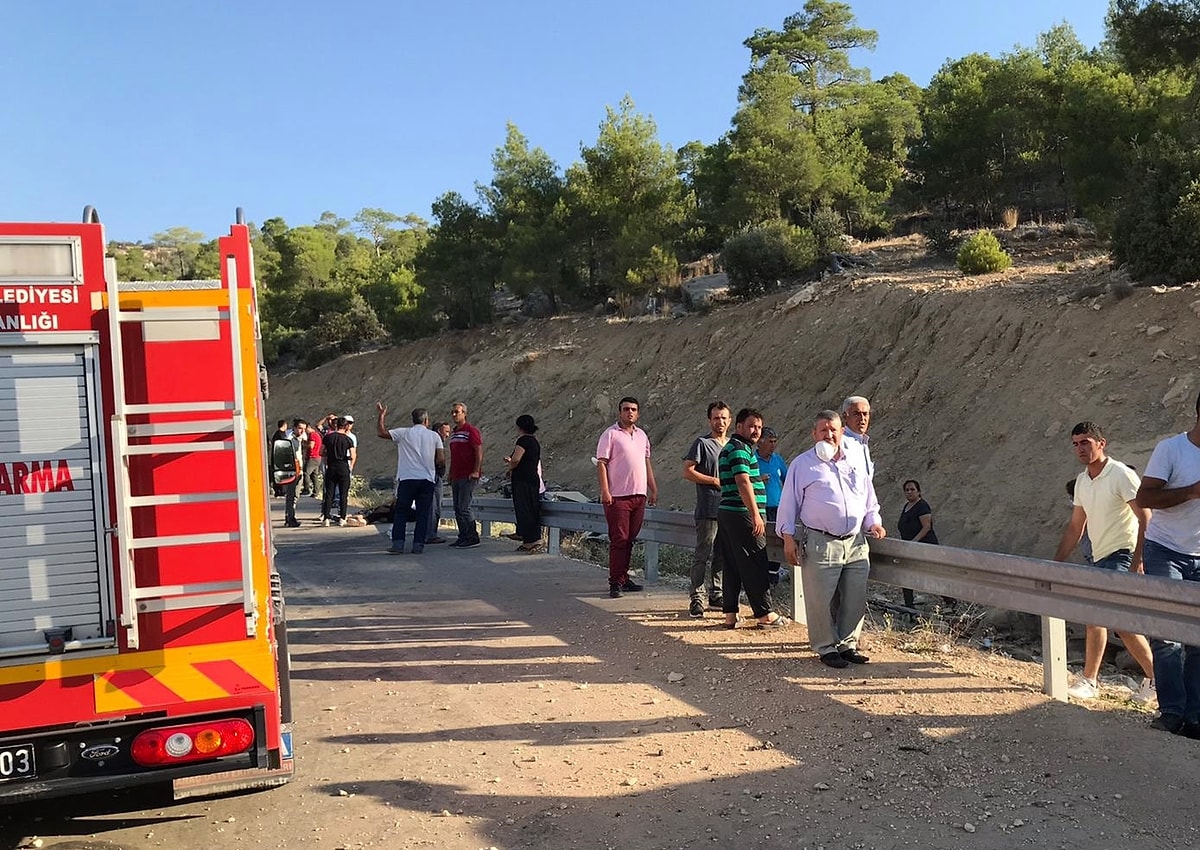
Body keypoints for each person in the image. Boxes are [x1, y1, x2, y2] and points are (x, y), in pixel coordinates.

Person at [1052, 422, 1156, 703]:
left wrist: (1138, 560)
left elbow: (1145, 517)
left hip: (1122, 554)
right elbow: (1076, 526)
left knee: (1095, 614)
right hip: (1100, 556)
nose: (1080, 449)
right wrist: (1055, 563)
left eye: (1085, 442)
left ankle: (1089, 679)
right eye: (1075, 444)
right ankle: (1156, 678)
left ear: (1101, 443)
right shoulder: (1083, 480)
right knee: (1121, 624)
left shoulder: (1121, 474)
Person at [776, 409, 885, 669]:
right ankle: (826, 647)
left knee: (854, 596)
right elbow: (789, 504)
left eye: (833, 429)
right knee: (820, 599)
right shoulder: (803, 465)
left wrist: (874, 523)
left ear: (841, 432)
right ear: (814, 434)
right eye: (823, 430)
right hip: (820, 541)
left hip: (856, 542)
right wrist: (788, 538)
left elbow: (869, 500)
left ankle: (847, 644)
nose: (828, 434)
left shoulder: (855, 463)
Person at [1135, 393, 1200, 735]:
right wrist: (1191, 492)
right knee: (1167, 636)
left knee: (1197, 639)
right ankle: (1171, 712)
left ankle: (1195, 718)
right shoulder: (1172, 450)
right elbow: (1145, 497)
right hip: (1166, 549)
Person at [717, 408, 787, 629]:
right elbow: (743, 481)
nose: (756, 431)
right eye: (751, 426)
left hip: (729, 513)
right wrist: (755, 513)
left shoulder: (734, 447)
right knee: (756, 561)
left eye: (758, 427)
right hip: (742, 514)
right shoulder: (739, 449)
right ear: (739, 427)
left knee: (732, 564)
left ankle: (730, 613)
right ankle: (764, 614)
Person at [596, 396, 658, 598]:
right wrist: (605, 490)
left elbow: (646, 462)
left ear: (638, 413)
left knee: (630, 538)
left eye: (633, 409)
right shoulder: (610, 435)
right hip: (618, 496)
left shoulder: (642, 436)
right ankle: (614, 582)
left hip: (638, 494)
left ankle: (623, 578)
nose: (629, 412)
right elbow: (602, 463)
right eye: (625, 409)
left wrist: (653, 487)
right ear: (619, 412)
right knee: (619, 539)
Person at [682, 402, 730, 617]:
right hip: (708, 508)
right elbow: (688, 471)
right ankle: (696, 598)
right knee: (703, 553)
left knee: (722, 554)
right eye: (716, 418)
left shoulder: (732, 445)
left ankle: (717, 593)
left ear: (729, 420)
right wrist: (713, 480)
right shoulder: (702, 443)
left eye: (723, 418)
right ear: (709, 420)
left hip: (729, 509)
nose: (719, 422)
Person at [377, 402, 444, 554]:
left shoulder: (403, 433)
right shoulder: (434, 436)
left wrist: (381, 416)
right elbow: (441, 459)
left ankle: (398, 544)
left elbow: (381, 433)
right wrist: (438, 471)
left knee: (401, 512)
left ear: (412, 420)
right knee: (423, 513)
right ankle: (418, 545)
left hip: (407, 478)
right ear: (426, 421)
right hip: (426, 479)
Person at [896, 480, 955, 610]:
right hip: (909, 547)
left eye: (912, 489)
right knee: (906, 575)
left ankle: (950, 600)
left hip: (925, 546)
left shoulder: (922, 506)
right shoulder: (907, 506)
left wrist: (915, 541)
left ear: (919, 491)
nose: (909, 492)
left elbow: (927, 526)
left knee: (933, 575)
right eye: (907, 490)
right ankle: (909, 605)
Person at [504, 414, 543, 552]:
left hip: (523, 479)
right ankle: (529, 539)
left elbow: (516, 459)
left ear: (519, 427)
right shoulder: (534, 441)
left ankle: (532, 539)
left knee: (523, 508)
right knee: (532, 507)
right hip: (532, 478)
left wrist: (510, 467)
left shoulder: (523, 440)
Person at [448, 402, 483, 548]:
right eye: (453, 412)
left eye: (457, 412)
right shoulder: (455, 433)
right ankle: (463, 535)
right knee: (457, 507)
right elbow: (454, 455)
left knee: (464, 506)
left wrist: (476, 470)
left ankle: (472, 536)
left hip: (468, 475)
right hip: (457, 474)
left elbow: (478, 451)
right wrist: (450, 473)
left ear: (464, 413)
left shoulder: (471, 431)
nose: (455, 415)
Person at [757, 426, 788, 585]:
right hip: (759, 508)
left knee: (776, 543)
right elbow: (742, 481)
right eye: (770, 441)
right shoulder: (752, 459)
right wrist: (758, 479)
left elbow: (788, 480)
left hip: (777, 508)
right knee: (761, 543)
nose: (773, 445)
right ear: (760, 442)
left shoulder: (778, 460)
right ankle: (759, 578)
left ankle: (773, 578)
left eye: (775, 442)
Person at [320, 417, 355, 527]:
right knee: (343, 494)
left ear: (336, 425)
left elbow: (321, 451)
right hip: (343, 466)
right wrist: (351, 467)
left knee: (329, 493)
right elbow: (353, 455)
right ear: (345, 426)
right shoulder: (348, 439)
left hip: (331, 466)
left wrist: (328, 457)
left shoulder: (328, 437)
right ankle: (342, 518)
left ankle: (326, 518)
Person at [424, 421, 451, 544]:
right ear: (439, 431)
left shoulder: (426, 439)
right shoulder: (436, 441)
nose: (448, 434)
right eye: (446, 431)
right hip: (434, 475)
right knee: (434, 506)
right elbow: (440, 460)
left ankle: (426, 533)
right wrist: (441, 471)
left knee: (429, 505)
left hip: (425, 475)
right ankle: (431, 535)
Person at [841, 396, 874, 478]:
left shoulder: (863, 442)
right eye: (857, 414)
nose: (862, 418)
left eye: (865, 414)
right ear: (845, 416)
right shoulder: (840, 442)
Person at [283, 420, 307, 527]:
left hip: (299, 469)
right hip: (293, 470)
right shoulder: (290, 439)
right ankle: (290, 517)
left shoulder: (299, 437)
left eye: (304, 429)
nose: (302, 431)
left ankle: (290, 516)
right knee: (291, 495)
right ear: (295, 428)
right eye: (300, 428)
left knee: (295, 495)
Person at [301, 420, 322, 497]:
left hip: (312, 457)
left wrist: (303, 446)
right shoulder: (317, 434)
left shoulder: (312, 435)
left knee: (306, 473)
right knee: (314, 475)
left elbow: (311, 445)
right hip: (317, 457)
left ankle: (306, 489)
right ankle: (316, 491)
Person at [270, 419, 289, 497]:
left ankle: (279, 490)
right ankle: (281, 490)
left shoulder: (276, 434)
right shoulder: (281, 435)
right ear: (284, 425)